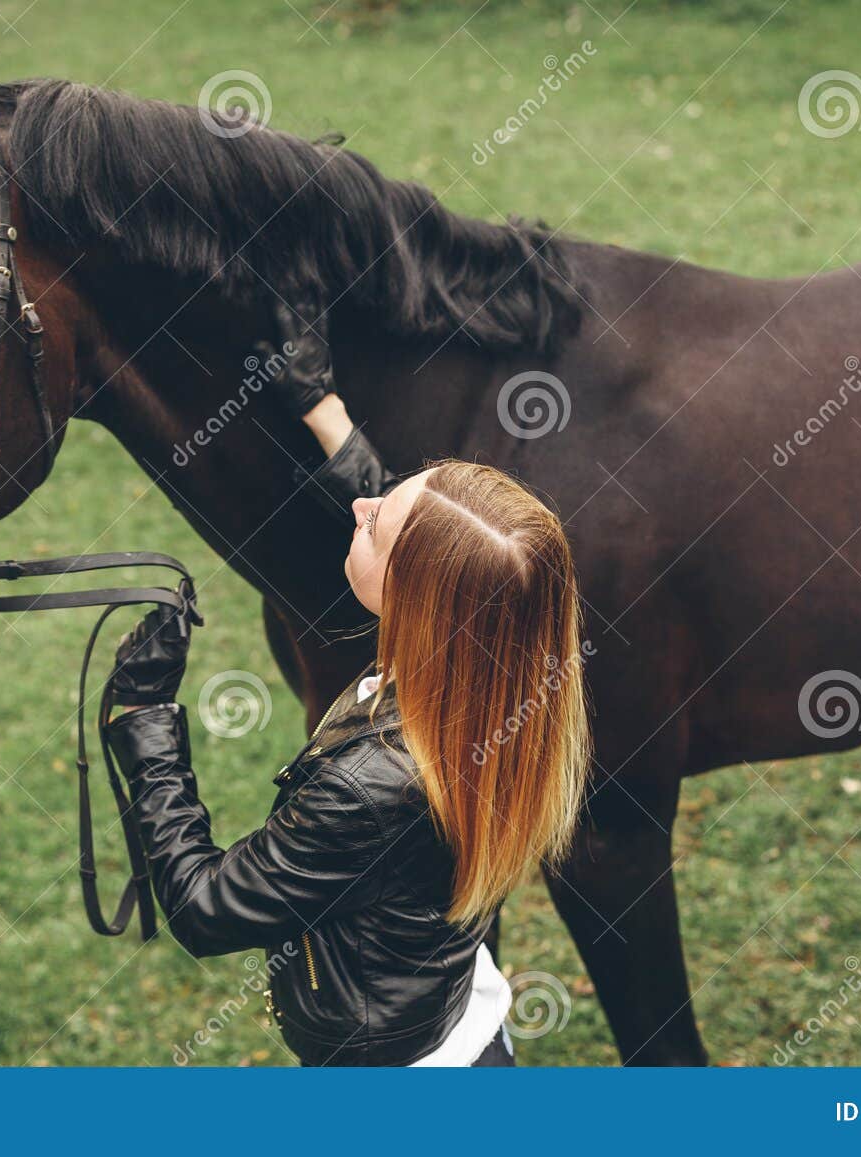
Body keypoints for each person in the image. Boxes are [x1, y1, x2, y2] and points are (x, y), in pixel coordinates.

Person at [102, 295, 591, 1066]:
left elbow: (205, 908)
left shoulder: (370, 784)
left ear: (417, 599)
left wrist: (146, 715)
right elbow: (422, 520)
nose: (360, 505)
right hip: (454, 1017)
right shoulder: (499, 668)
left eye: (373, 526)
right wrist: (322, 407)